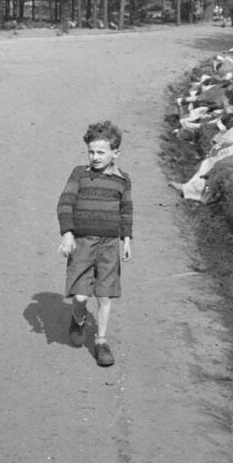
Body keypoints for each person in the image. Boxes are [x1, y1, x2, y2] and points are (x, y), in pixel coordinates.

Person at [57, 120, 133, 367]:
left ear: (115, 153)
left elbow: (126, 211)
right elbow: (65, 203)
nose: (95, 157)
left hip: (109, 244)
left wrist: (127, 239)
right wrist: (67, 234)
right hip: (83, 243)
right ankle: (78, 319)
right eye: (91, 152)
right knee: (80, 296)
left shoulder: (122, 180)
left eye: (101, 152)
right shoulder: (80, 174)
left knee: (104, 296)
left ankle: (101, 341)